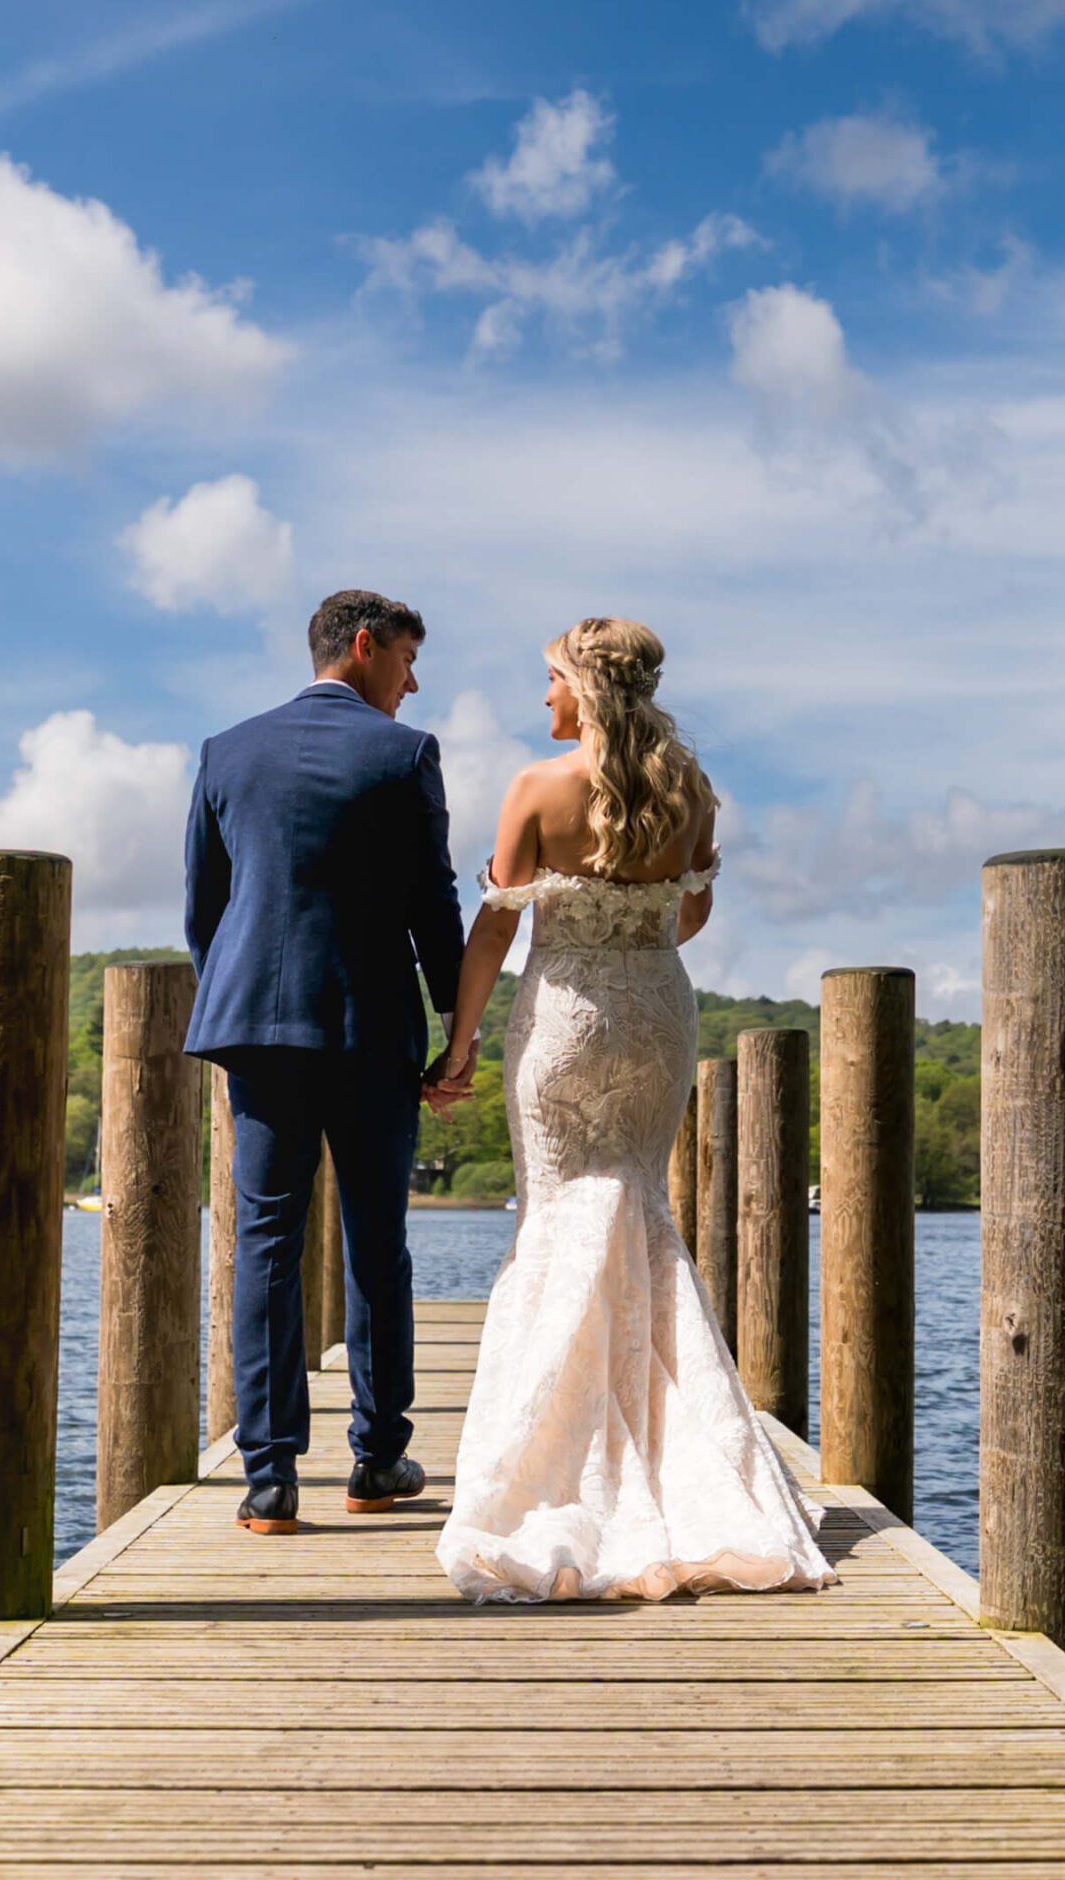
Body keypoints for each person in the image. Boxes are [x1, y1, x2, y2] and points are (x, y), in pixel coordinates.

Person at [429, 615, 833, 1602]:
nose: (544, 698)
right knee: (640, 1213)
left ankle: (554, 1466)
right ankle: (680, 1454)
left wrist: (460, 1041)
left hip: (565, 1013)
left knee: (560, 1217)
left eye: (551, 679)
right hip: (654, 1013)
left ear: (583, 685)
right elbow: (689, 918)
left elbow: (491, 933)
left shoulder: (535, 789)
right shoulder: (690, 791)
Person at [185, 589, 465, 1533]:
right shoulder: (405, 753)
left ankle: (268, 1479)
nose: (413, 683)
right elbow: (433, 905)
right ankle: (375, 1460)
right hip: (369, 1030)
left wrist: (239, 1002)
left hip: (257, 1030)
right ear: (363, 646)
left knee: (265, 1241)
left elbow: (206, 907)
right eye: (407, 661)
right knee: (376, 1243)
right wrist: (455, 1033)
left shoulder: (227, 749)